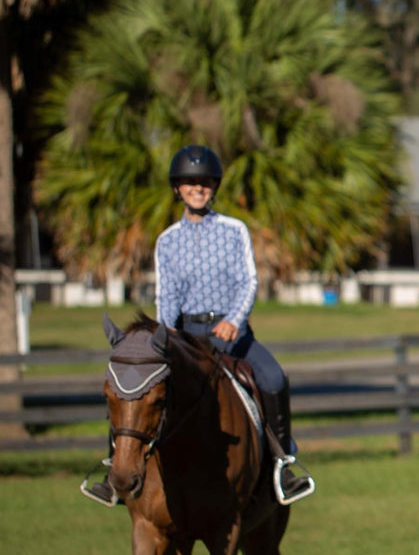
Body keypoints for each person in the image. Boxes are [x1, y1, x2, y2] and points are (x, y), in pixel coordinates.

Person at [82, 145, 314, 506]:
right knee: (131, 383)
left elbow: (248, 282)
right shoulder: (167, 241)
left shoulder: (234, 230)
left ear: (214, 186)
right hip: (185, 337)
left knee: (273, 379)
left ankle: (283, 463)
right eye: (190, 182)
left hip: (231, 335)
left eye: (204, 182)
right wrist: (165, 337)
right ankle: (114, 466)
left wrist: (233, 320)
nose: (198, 188)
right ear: (177, 188)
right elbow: (168, 295)